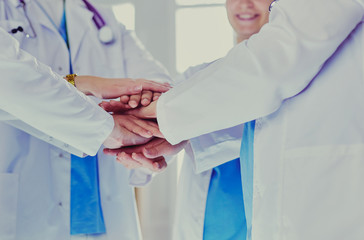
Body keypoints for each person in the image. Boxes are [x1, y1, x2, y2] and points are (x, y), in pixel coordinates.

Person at [106, 0, 364, 239]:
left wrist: (159, 116)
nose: (244, 4)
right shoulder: (203, 79)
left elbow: (270, 72)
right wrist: (163, 128)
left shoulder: (284, 57)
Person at [0, 0, 171, 239]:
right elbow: (10, 79)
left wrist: (146, 111)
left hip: (103, 205)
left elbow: (156, 82)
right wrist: (84, 86)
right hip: (29, 202)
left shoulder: (99, 13)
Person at [104, 0, 272, 239]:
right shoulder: (197, 77)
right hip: (207, 226)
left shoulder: (296, 82)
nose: (244, 4)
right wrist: (144, 144)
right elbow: (166, 131)